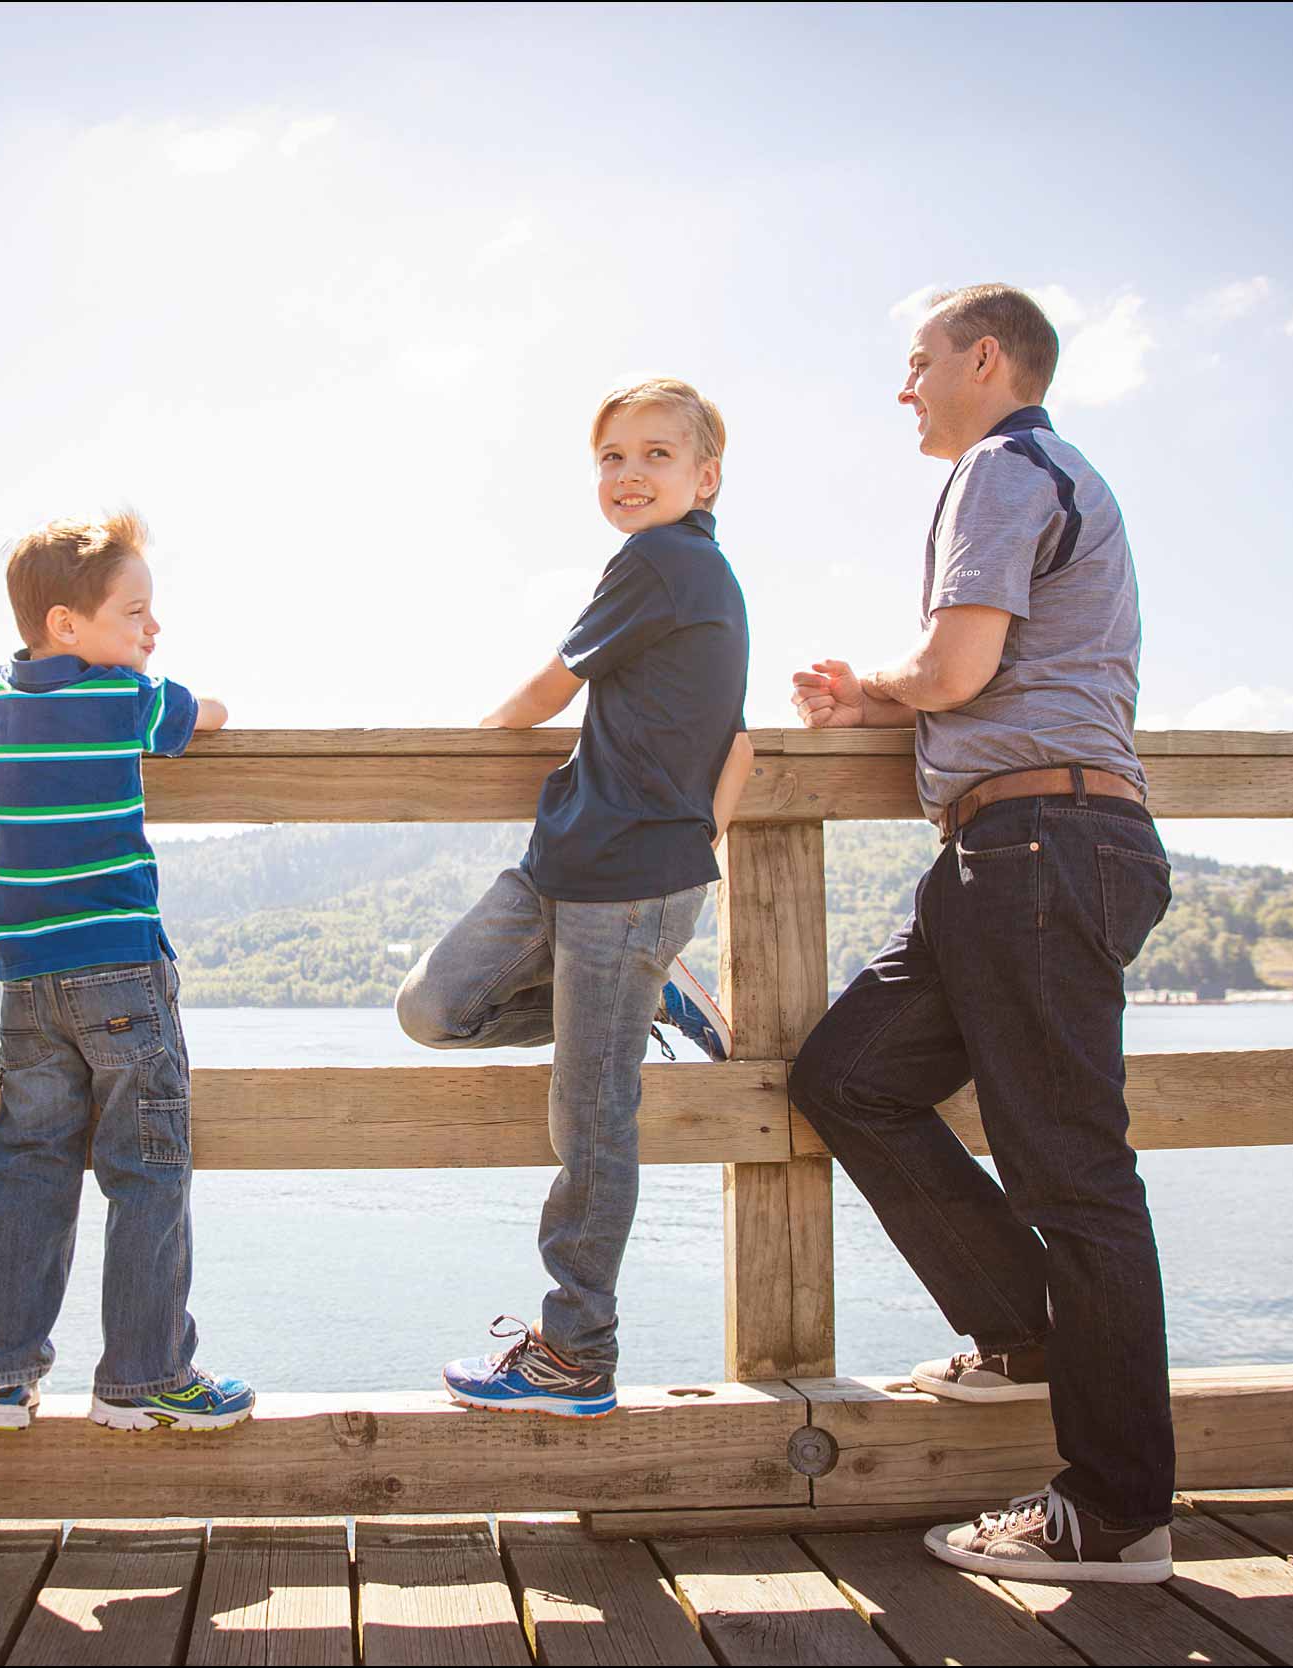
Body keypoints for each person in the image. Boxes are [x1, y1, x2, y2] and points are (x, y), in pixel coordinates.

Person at [789, 284, 1175, 1582]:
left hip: (1037, 853)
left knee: (1076, 1179)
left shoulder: (1006, 468)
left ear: (986, 360)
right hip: (1016, 855)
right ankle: (1023, 1332)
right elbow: (981, 678)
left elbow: (957, 670)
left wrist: (868, 687)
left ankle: (1118, 1513)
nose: (906, 389)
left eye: (920, 363)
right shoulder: (1048, 475)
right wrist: (892, 695)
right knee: (849, 1077)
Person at [399, 378, 753, 1418]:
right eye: (611, 457)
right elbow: (728, 741)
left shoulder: (666, 560)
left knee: (590, 1123)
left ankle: (573, 1356)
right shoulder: (677, 568)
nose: (629, 474)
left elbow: (551, 687)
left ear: (704, 477)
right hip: (564, 860)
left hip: (627, 887)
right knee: (432, 1007)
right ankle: (648, 1004)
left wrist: (447, 758)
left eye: (654, 455)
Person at [0, 512, 253, 1434]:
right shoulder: (127, 698)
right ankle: (145, 1375)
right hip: (119, 971)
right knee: (147, 1164)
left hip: (27, 979)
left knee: (29, 1165)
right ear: (67, 626)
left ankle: (2, 1377)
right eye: (135, 611)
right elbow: (206, 715)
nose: (150, 629)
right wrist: (166, 684)